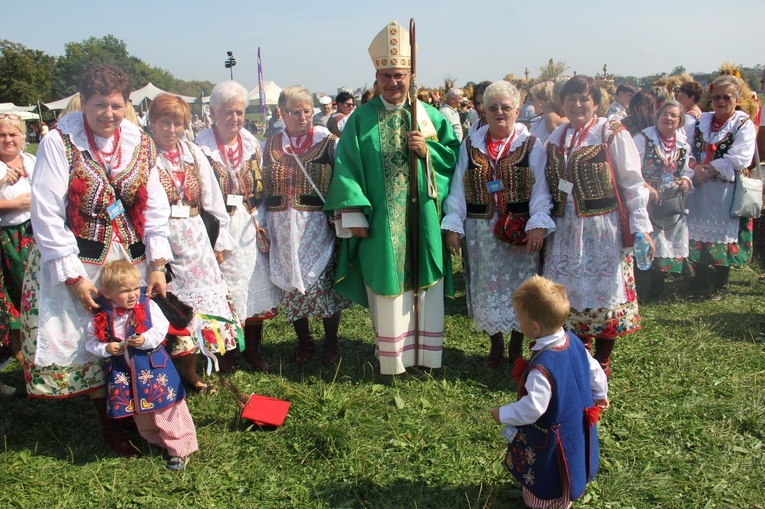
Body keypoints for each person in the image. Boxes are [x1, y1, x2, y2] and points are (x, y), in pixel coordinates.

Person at [23, 64, 173, 457]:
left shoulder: (140, 141)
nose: (109, 114)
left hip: (127, 260)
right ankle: (112, 425)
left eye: (117, 106)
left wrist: (157, 263)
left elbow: (155, 204)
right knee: (93, 338)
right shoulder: (60, 142)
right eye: (99, 106)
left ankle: (138, 411)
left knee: (130, 333)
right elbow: (46, 209)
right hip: (80, 258)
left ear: (127, 104)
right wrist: (72, 276)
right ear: (84, 103)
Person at [324, 20, 460, 375]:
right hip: (382, 221)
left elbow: (453, 160)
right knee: (387, 280)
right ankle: (394, 359)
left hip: (424, 218)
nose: (393, 82)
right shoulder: (360, 120)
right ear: (376, 78)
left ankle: (426, 356)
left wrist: (427, 151)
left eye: (399, 75)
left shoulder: (428, 116)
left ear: (410, 75)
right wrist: (354, 215)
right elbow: (347, 167)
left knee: (424, 276)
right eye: (386, 76)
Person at [542, 75, 653, 377]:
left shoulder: (611, 132)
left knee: (603, 295)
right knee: (570, 296)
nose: (577, 105)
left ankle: (601, 364)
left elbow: (632, 182)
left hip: (603, 229)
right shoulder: (556, 137)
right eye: (570, 99)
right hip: (564, 228)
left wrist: (641, 224)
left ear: (595, 102)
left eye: (584, 99)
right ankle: (580, 358)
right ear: (561, 103)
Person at [442, 81, 553, 369]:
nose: (499, 113)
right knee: (486, 288)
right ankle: (495, 345)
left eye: (505, 107)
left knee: (520, 289)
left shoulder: (531, 144)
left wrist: (538, 224)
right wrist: (454, 225)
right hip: (481, 233)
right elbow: (458, 185)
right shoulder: (471, 143)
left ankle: (516, 347)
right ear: (484, 111)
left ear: (517, 110)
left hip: (518, 231)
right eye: (493, 108)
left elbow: (542, 186)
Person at [489, 275, 608, 509]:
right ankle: (567, 494)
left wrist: (502, 414)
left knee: (550, 473)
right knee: (573, 460)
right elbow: (594, 370)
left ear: (534, 327)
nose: (518, 322)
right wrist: (600, 394)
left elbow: (533, 408)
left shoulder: (542, 368)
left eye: (519, 318)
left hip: (553, 438)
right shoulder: (574, 341)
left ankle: (546, 503)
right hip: (577, 425)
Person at [148, 94, 242, 390]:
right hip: (162, 237)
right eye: (165, 122)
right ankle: (165, 371)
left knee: (199, 309)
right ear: (152, 122)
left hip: (195, 236)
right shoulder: (146, 154)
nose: (172, 129)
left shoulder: (192, 152)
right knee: (167, 304)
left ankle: (191, 370)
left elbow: (212, 197)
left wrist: (219, 240)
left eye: (178, 123)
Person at [195, 81, 281, 372]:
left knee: (256, 287)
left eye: (240, 112)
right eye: (228, 112)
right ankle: (228, 353)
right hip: (221, 228)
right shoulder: (201, 149)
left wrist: (267, 223)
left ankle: (254, 350)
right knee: (225, 291)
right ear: (214, 113)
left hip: (252, 225)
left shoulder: (253, 144)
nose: (234, 118)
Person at [262, 86, 351, 365]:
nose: (303, 117)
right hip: (282, 225)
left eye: (307, 111)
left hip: (316, 225)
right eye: (295, 111)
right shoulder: (271, 144)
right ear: (282, 114)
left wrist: (339, 212)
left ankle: (331, 342)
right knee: (292, 287)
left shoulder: (327, 141)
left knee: (322, 285)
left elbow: (343, 179)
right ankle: (304, 340)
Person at [85, 260, 197, 469]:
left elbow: (161, 328)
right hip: (125, 372)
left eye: (136, 288)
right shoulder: (103, 315)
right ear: (107, 293)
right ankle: (157, 440)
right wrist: (107, 348)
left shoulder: (147, 305)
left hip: (154, 368)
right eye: (125, 291)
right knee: (141, 411)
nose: (133, 294)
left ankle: (179, 448)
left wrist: (145, 339)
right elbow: (92, 343)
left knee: (166, 407)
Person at [686, 75, 757, 299]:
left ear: (736, 99)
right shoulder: (701, 121)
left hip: (725, 191)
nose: (721, 101)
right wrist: (694, 168)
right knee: (696, 229)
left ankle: (720, 284)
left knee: (723, 233)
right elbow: (685, 146)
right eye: (716, 97)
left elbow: (740, 157)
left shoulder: (742, 123)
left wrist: (708, 170)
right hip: (699, 188)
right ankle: (698, 279)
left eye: (726, 97)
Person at [633, 100, 694, 301]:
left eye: (673, 115)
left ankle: (656, 289)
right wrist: (647, 186)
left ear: (680, 121)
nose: (668, 118)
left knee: (665, 243)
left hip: (670, 201)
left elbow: (686, 170)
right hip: (645, 199)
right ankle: (638, 287)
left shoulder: (682, 145)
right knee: (644, 240)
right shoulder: (643, 139)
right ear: (657, 117)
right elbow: (630, 169)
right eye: (664, 114)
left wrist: (685, 180)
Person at [0, 113, 36, 396]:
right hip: (8, 237)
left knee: (37, 289)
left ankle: (36, 347)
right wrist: (11, 203)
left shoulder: (32, 162)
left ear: (24, 137)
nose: (8, 139)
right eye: (2, 134)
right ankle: (19, 351)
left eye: (13, 134)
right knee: (15, 294)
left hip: (35, 232)